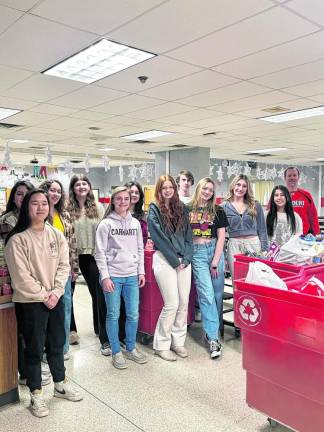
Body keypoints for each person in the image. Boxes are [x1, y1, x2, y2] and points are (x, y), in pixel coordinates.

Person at [4, 189, 82, 418]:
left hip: (54, 298)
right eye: (35, 203)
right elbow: (21, 276)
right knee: (34, 348)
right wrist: (44, 295)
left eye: (44, 204)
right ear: (26, 207)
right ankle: (36, 394)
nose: (40, 208)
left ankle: (60, 383)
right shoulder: (17, 239)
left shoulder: (56, 235)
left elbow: (64, 266)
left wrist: (56, 293)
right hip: (30, 301)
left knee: (57, 343)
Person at [95, 186, 147, 370]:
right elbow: (99, 253)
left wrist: (141, 272)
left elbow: (140, 249)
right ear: (113, 201)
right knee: (113, 314)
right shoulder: (106, 224)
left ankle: (131, 348)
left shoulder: (135, 224)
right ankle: (116, 351)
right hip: (114, 276)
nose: (123, 202)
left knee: (133, 314)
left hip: (132, 275)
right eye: (119, 199)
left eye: (126, 198)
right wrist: (105, 277)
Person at [147, 174, 192, 362]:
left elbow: (189, 235)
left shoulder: (182, 208)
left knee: (183, 303)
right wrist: (175, 260)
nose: (167, 190)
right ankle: (161, 344)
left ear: (174, 188)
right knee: (171, 303)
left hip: (184, 261)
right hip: (164, 259)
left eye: (170, 187)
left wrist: (187, 257)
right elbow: (159, 238)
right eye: (163, 187)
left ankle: (178, 342)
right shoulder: (154, 209)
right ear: (159, 189)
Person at [68, 174, 110, 355]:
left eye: (84, 183)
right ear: (73, 188)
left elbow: (105, 230)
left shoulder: (98, 207)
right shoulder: (67, 208)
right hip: (73, 256)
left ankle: (99, 328)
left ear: (89, 186)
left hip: (92, 255)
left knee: (97, 293)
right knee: (69, 293)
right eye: (78, 184)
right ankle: (72, 331)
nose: (81, 187)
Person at [188, 178, 228, 359]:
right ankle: (213, 338)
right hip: (197, 253)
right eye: (205, 188)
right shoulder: (188, 209)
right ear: (199, 188)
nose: (207, 192)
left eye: (211, 190)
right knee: (206, 294)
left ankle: (211, 330)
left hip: (214, 253)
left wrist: (215, 261)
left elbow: (221, 237)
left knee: (217, 295)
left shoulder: (218, 210)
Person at [39, 179, 79, 361]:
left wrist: (74, 267)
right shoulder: (39, 214)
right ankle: (47, 350)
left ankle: (62, 349)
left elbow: (72, 242)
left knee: (65, 310)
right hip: (44, 271)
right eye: (52, 190)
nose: (55, 194)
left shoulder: (64, 215)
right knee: (46, 311)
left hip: (64, 270)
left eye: (58, 191)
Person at [118, 181, 148, 345]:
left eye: (137, 192)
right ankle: (120, 335)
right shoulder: (116, 215)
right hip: (120, 263)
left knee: (132, 303)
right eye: (131, 192)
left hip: (137, 261)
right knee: (119, 304)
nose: (134, 195)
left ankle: (131, 334)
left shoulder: (142, 216)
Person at [222, 174, 268, 277]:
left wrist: (265, 250)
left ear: (247, 189)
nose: (240, 188)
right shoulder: (224, 206)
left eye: (244, 186)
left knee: (255, 278)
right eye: (238, 185)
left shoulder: (255, 205)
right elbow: (220, 232)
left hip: (254, 245)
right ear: (233, 185)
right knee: (237, 279)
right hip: (234, 245)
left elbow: (262, 229)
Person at [284, 166, 320, 235]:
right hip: (284, 237)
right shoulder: (278, 195)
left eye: (294, 175)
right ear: (285, 178)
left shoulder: (306, 195)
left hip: (303, 236)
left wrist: (317, 235)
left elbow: (313, 217)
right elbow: (270, 215)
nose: (292, 178)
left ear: (298, 177)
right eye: (289, 175)